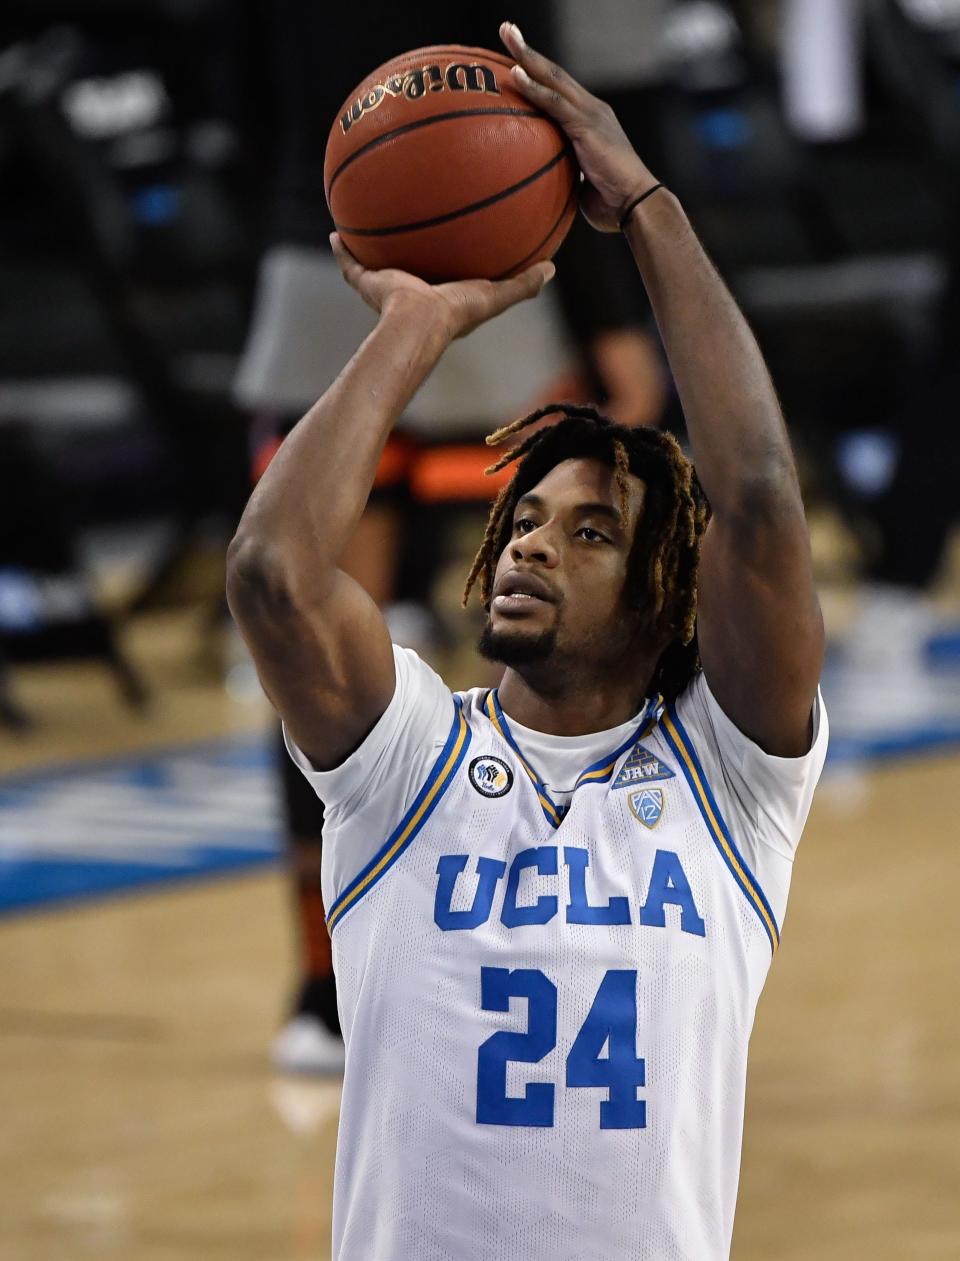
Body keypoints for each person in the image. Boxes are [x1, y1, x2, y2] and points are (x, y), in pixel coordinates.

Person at [227, 22, 828, 1261]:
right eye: (526, 520)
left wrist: (649, 210)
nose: (532, 545)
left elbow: (760, 498)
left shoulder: (733, 784)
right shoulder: (406, 760)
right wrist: (413, 326)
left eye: (592, 530)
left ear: (665, 596)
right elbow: (274, 578)